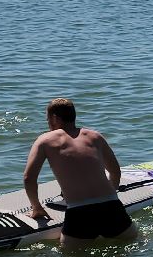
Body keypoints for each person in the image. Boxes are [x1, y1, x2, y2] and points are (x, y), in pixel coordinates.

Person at [23, 97, 137, 247]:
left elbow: (28, 178)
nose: (48, 124)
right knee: (131, 246)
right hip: (112, 208)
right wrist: (111, 195)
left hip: (80, 212)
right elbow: (115, 171)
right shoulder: (95, 136)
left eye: (47, 120)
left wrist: (37, 208)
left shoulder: (45, 140)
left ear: (55, 118)